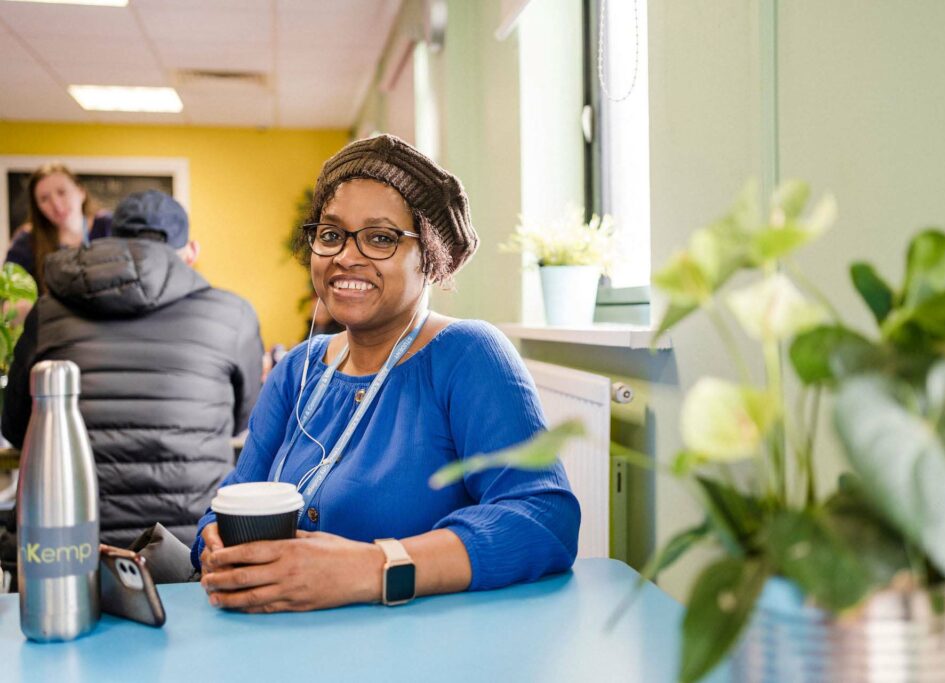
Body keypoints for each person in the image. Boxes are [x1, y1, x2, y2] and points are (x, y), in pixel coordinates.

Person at [194, 134, 580, 612]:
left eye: (380, 238)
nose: (345, 256)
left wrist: (373, 568)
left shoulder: (466, 356)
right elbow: (229, 503)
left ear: (429, 257)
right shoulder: (297, 370)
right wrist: (213, 542)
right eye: (331, 234)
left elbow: (543, 518)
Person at [2, 190, 265, 549]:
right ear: (191, 252)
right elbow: (241, 421)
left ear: (113, 241)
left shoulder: (48, 312)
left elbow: (17, 428)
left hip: (69, 551)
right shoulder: (233, 314)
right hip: (192, 551)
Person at [5, 163, 113, 294]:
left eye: (61, 192)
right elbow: (8, 288)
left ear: (81, 192)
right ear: (37, 207)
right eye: (44, 199)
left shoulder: (109, 226)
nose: (56, 204)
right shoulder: (26, 241)